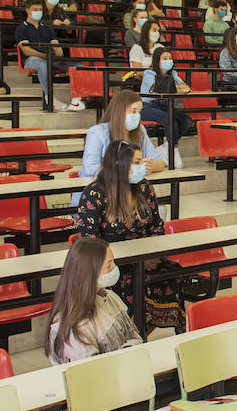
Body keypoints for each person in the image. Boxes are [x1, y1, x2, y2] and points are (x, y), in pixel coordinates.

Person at [75, 140, 184, 334]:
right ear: (118, 163)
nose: (142, 166)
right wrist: (119, 262)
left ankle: (149, 333)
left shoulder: (144, 188)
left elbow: (156, 227)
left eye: (141, 161)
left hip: (146, 259)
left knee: (172, 275)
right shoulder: (94, 194)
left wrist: (152, 256)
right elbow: (89, 243)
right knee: (129, 284)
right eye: (136, 162)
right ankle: (132, 336)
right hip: (113, 263)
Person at [46, 237, 141, 364]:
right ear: (90, 272)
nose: (114, 268)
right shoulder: (74, 323)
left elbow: (135, 337)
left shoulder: (110, 296)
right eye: (109, 265)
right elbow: (92, 371)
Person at [82, 90, 167, 185]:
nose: (137, 116)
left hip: (128, 188)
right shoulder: (97, 132)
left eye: (139, 112)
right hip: (100, 187)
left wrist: (151, 166)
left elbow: (160, 162)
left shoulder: (140, 130)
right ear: (119, 111)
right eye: (133, 111)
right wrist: (125, 169)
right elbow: (90, 168)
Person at [16, 0, 72, 110]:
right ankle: (49, 97)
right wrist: (46, 56)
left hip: (49, 58)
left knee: (76, 66)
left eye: (40, 10)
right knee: (43, 64)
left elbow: (56, 47)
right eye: (35, 10)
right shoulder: (21, 28)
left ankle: (77, 99)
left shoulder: (47, 29)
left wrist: (58, 54)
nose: (38, 12)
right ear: (27, 10)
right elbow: (26, 50)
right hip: (30, 60)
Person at [140, 47, 192, 157]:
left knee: (186, 120)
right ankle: (173, 151)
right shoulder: (149, 73)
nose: (168, 61)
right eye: (164, 58)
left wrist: (174, 87)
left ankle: (167, 147)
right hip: (147, 107)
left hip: (164, 106)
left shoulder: (172, 74)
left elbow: (186, 88)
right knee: (170, 120)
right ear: (157, 61)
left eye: (170, 58)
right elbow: (159, 88)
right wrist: (175, 88)